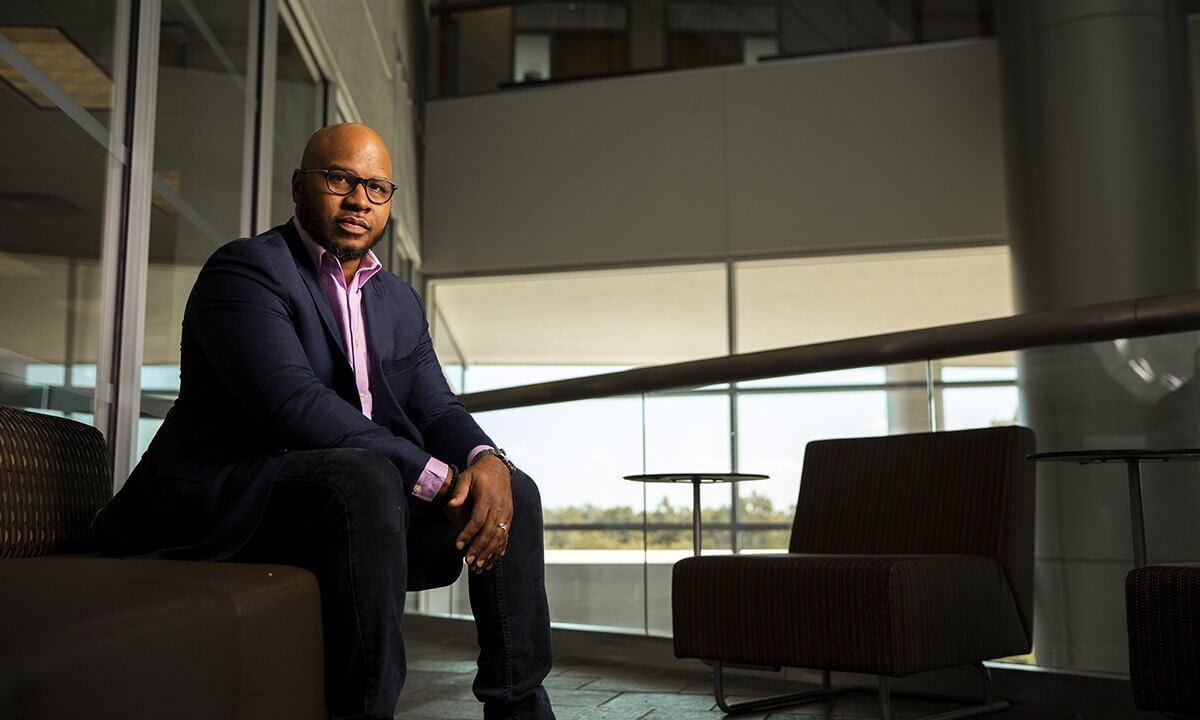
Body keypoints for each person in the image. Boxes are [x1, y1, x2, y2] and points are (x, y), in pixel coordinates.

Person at [93, 123, 555, 720]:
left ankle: (518, 708)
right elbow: (294, 405)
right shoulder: (246, 271)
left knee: (512, 488)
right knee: (362, 478)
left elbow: (437, 407)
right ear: (300, 185)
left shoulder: (396, 301)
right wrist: (438, 480)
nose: (359, 199)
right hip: (226, 496)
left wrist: (484, 460)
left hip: (351, 506)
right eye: (340, 178)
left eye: (377, 188)